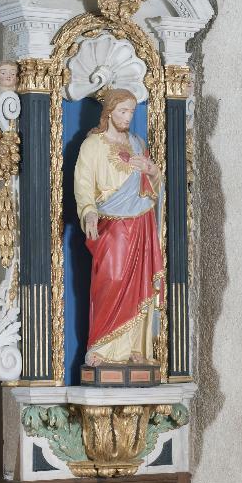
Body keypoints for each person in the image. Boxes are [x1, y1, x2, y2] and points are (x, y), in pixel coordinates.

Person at [73, 88, 164, 366]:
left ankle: (135, 349)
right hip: (110, 225)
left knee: (139, 285)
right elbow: (83, 183)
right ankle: (100, 348)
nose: (127, 117)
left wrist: (151, 170)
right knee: (111, 280)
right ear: (109, 111)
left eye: (131, 112)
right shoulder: (93, 145)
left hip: (140, 224)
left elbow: (154, 186)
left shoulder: (137, 143)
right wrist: (88, 212)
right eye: (123, 111)